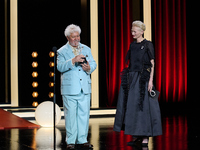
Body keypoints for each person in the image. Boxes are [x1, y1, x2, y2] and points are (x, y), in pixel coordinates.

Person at [113, 21, 162, 148]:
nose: (132, 33)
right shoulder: (132, 45)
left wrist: (150, 81)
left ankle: (145, 136)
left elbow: (152, 63)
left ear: (142, 31)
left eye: (135, 31)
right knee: (132, 107)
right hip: (131, 77)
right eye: (132, 30)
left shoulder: (148, 44)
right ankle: (136, 135)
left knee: (143, 107)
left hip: (143, 78)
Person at [57, 24, 97, 150]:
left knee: (84, 115)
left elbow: (94, 63)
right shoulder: (62, 51)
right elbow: (60, 67)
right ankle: (71, 141)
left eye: (78, 36)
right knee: (71, 116)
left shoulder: (86, 48)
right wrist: (73, 60)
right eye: (73, 37)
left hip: (84, 87)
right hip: (70, 89)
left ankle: (82, 140)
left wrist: (89, 68)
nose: (76, 39)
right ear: (68, 38)